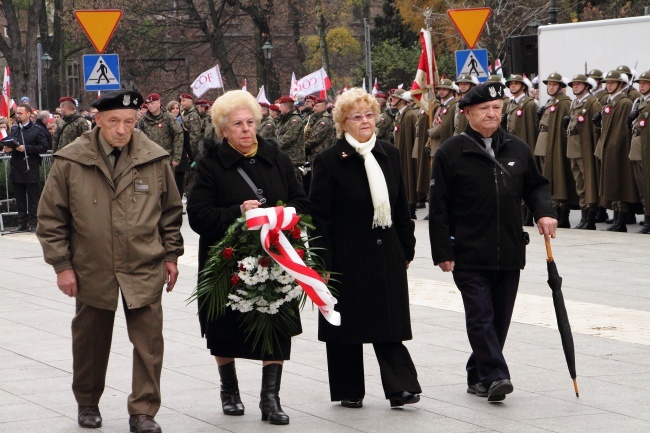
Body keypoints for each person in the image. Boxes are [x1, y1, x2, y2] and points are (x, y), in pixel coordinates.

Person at [35, 90, 184, 433]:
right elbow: (51, 218)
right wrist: (62, 265)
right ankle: (87, 402)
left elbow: (171, 213)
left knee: (149, 342)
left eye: (129, 122)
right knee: (90, 340)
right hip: (92, 265)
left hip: (144, 262)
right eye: (114, 121)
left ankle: (143, 411)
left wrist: (172, 255)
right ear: (97, 119)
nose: (122, 129)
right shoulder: (71, 160)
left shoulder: (154, 157)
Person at [429, 82, 557, 402]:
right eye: (484, 108)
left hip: (509, 249)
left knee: (499, 320)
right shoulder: (450, 153)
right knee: (481, 316)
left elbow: (536, 186)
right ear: (468, 112)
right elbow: (439, 207)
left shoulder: (517, 148)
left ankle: (478, 374)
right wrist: (442, 250)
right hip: (469, 252)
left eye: (497, 108)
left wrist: (543, 212)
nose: (492, 113)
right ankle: (497, 375)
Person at [187, 90, 307, 426]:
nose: (246, 129)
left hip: (274, 256)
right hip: (227, 260)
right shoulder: (211, 165)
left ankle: (271, 399)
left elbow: (301, 199)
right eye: (237, 124)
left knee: (276, 322)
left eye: (250, 122)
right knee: (224, 327)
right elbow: (197, 215)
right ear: (223, 130)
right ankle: (230, 390)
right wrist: (236, 212)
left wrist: (284, 215)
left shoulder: (277, 157)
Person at [310, 88, 421, 410]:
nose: (365, 121)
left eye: (369, 115)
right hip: (346, 254)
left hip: (386, 250)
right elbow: (320, 217)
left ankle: (401, 387)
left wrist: (407, 248)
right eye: (357, 117)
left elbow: (401, 205)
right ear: (343, 123)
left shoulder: (389, 153)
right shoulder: (329, 161)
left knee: (388, 322)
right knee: (345, 324)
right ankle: (349, 389)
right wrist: (323, 261)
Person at [596, 70, 639, 232]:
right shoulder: (610, 101)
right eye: (607, 82)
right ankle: (616, 217)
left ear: (620, 84)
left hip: (618, 149)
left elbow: (622, 130)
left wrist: (612, 146)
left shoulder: (624, 102)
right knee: (611, 182)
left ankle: (621, 219)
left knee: (619, 181)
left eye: (612, 82)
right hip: (608, 146)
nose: (609, 85)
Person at [535, 73, 577, 228]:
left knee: (558, 177)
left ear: (561, 87)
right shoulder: (550, 102)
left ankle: (562, 212)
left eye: (554, 85)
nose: (550, 87)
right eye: (549, 84)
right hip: (544, 142)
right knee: (547, 176)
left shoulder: (564, 102)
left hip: (554, 143)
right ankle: (554, 206)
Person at [2, 104, 50, 232]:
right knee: (20, 198)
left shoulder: (37, 129)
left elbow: (44, 146)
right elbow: (11, 142)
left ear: (28, 114)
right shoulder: (16, 129)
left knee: (33, 198)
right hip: (17, 167)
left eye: (20, 113)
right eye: (16, 113)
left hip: (30, 167)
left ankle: (34, 222)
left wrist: (26, 148)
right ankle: (22, 223)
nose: (17, 116)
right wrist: (7, 149)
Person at [566, 74, 602, 229]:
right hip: (573, 147)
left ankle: (590, 216)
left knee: (588, 181)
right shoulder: (575, 102)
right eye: (574, 84)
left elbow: (596, 128)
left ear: (587, 86)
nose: (575, 87)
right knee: (579, 181)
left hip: (584, 147)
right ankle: (584, 214)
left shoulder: (592, 102)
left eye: (579, 84)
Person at [391, 89, 419, 218]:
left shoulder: (410, 115)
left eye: (395, 98)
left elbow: (414, 136)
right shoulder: (400, 114)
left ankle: (411, 207)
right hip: (400, 151)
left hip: (408, 152)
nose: (392, 100)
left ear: (402, 100)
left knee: (409, 177)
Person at [137, 93, 183, 169]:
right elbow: (139, 139)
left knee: (167, 180)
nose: (150, 106)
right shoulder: (143, 121)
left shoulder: (168, 118)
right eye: (148, 104)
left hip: (166, 157)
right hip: (150, 158)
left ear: (159, 103)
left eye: (152, 103)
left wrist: (176, 157)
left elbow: (178, 135)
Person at [629, 71, 650, 233]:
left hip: (645, 147)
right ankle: (646, 215)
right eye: (640, 82)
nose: (641, 85)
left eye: (645, 82)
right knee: (642, 183)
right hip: (637, 146)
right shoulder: (640, 101)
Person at [275, 96, 305, 181]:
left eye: (281, 106)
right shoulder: (284, 119)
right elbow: (277, 134)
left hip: (293, 158)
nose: (279, 108)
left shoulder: (295, 120)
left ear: (286, 107)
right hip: (285, 156)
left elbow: (288, 138)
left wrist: (274, 147)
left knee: (294, 182)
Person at [179, 93, 203, 198]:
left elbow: (194, 135)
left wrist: (191, 153)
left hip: (192, 150)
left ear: (190, 101)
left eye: (184, 101)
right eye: (181, 101)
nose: (182, 103)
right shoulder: (185, 113)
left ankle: (191, 196)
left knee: (190, 177)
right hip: (186, 149)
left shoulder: (193, 115)